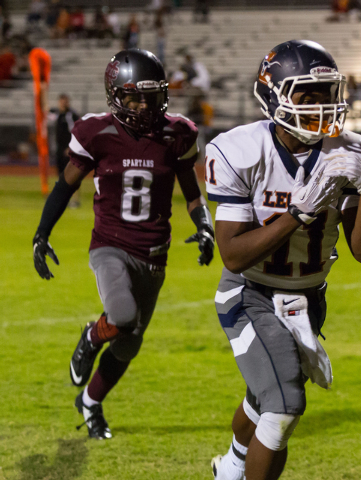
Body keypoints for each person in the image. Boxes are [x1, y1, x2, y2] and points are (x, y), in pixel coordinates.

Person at [205, 40, 361, 480]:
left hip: (308, 298)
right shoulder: (238, 150)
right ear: (273, 96)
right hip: (250, 292)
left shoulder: (351, 150)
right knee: (285, 403)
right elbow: (231, 255)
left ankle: (230, 466)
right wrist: (298, 213)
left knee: (262, 394)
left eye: (328, 94)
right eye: (308, 96)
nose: (323, 107)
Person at [32, 49, 215, 440]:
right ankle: (90, 336)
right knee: (122, 313)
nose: (144, 104)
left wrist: (205, 226)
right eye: (134, 96)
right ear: (115, 94)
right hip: (110, 245)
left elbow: (192, 192)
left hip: (154, 253)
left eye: (151, 96)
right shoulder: (96, 132)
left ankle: (91, 402)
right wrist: (41, 233)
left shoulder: (177, 133)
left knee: (129, 345)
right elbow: (66, 185)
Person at [49, 93, 80, 207]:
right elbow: (44, 112)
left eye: (65, 101)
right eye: (62, 101)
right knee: (60, 175)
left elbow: (77, 131)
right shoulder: (56, 114)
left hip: (69, 149)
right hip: (59, 149)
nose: (63, 103)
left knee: (72, 176)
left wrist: (71, 147)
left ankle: (75, 200)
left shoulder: (71, 115)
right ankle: (62, 199)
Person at [28, 44, 51, 196]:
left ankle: (45, 184)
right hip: (41, 117)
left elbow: (43, 103)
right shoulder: (41, 85)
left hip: (41, 118)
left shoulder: (40, 86)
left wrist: (45, 106)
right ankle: (44, 183)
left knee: (43, 149)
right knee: (42, 149)